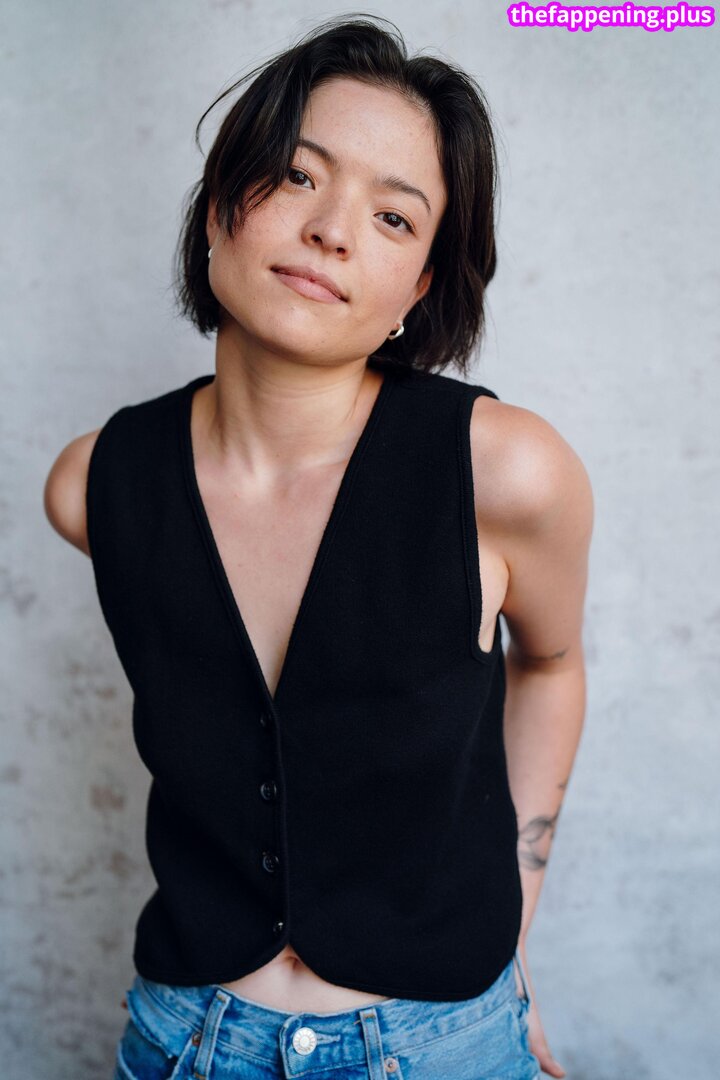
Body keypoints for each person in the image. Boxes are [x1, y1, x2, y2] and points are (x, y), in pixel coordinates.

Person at [43, 14, 592, 1080]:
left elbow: (553, 666)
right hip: (183, 1040)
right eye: (299, 176)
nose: (334, 230)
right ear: (220, 205)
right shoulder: (94, 486)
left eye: (393, 216)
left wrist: (513, 931)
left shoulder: (505, 473)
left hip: (441, 1046)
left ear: (419, 287)